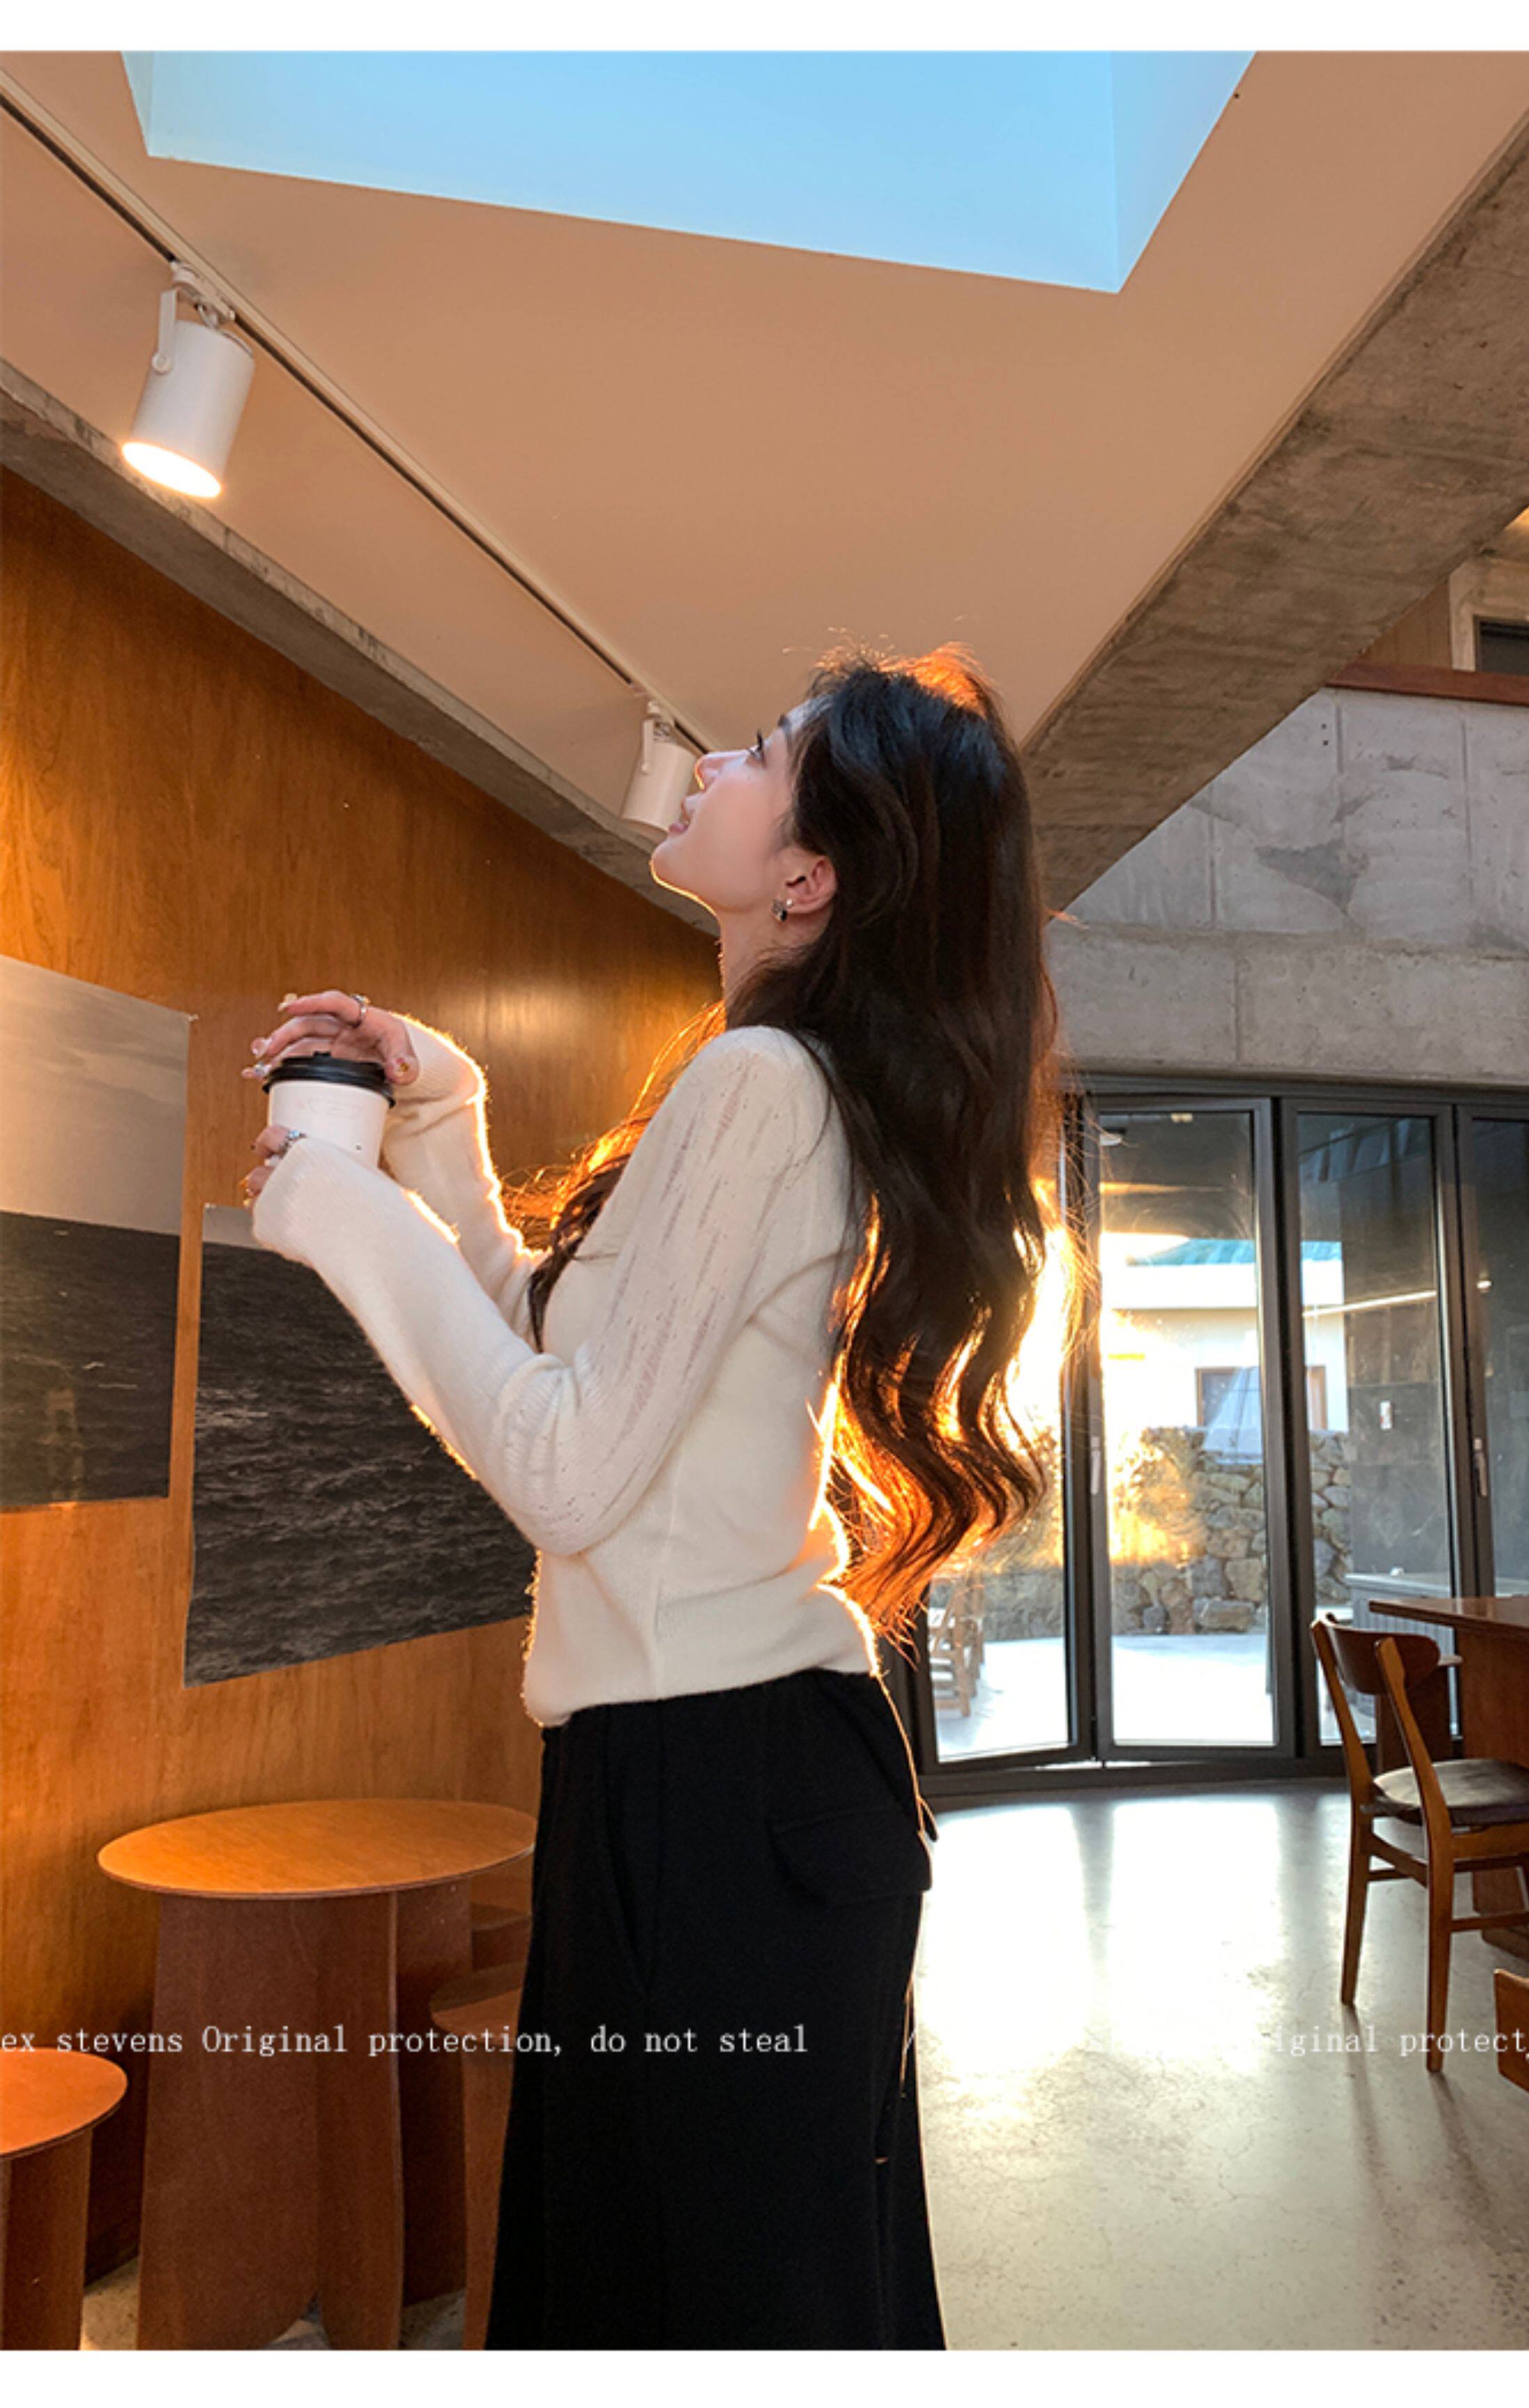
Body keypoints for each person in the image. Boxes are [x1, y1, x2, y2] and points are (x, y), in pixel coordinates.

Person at [241, 642, 1079, 2349]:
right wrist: (439, 1121)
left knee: (703, 2314)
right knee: (667, 2295)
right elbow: (552, 1374)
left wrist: (338, 1199)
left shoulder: (763, 1084)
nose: (707, 759)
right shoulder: (761, 1075)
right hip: (700, 1780)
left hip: (726, 1795)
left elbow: (561, 1467)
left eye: (760, 750)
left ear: (809, 874)